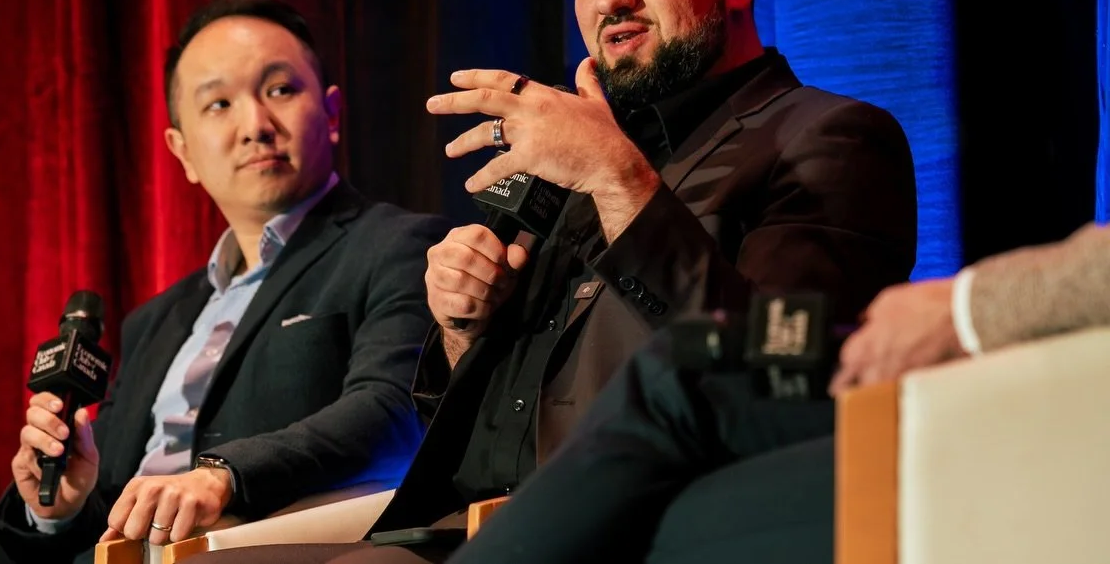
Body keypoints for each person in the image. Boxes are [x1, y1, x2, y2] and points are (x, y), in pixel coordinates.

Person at [203, 0, 919, 563]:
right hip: (448, 531)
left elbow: (774, 378)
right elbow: (480, 411)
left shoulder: (832, 138)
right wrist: (461, 328)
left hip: (636, 529)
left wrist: (617, 177)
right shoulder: (573, 152)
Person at [0, 0, 456, 564]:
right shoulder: (159, 319)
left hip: (242, 545)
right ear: (182, 150)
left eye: (280, 89)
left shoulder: (395, 245)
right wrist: (62, 502)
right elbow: (102, 513)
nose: (256, 124)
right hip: (108, 553)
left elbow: (394, 411)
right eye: (218, 104)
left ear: (332, 112)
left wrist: (223, 477)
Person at [444, 220, 1110, 564]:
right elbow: (459, 412)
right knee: (642, 516)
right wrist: (461, 324)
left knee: (684, 374)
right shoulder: (550, 209)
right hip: (526, 500)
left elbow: (770, 320)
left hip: (996, 408)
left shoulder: (825, 132)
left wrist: (966, 307)